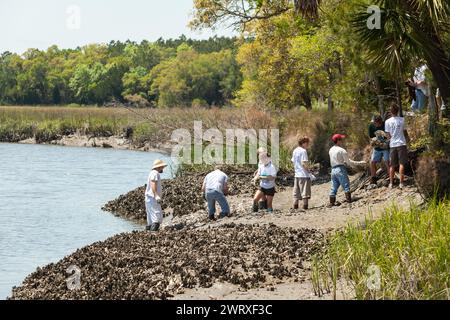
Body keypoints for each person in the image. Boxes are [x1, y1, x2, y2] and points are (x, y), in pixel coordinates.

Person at [328, 134, 366, 207]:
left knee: (334, 186)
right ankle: (349, 200)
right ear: (338, 141)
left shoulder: (331, 150)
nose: (343, 141)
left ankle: (331, 203)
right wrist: (360, 163)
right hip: (340, 169)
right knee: (346, 185)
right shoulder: (342, 150)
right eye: (341, 139)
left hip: (333, 170)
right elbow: (349, 162)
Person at [385, 103, 409, 189]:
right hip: (402, 143)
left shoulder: (387, 122)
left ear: (390, 112)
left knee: (392, 165)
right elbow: (405, 132)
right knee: (401, 164)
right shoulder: (402, 120)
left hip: (392, 144)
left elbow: (388, 136)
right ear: (398, 111)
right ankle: (401, 183)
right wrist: (408, 141)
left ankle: (391, 183)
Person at [144, 159, 167, 232]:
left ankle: (148, 234)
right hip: (153, 199)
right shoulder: (155, 173)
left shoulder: (152, 173)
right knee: (157, 218)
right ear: (158, 167)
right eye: (162, 167)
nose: (163, 168)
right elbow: (153, 184)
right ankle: (153, 234)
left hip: (149, 199)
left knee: (150, 219)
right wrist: (156, 195)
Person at [291, 136, 312, 210]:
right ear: (303, 143)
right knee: (305, 192)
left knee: (296, 193)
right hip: (303, 174)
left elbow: (293, 162)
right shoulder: (303, 151)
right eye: (307, 143)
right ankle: (305, 207)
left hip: (297, 174)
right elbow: (304, 163)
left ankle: (295, 207)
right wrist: (309, 171)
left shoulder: (295, 150)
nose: (308, 144)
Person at [369, 115, 390, 185]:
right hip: (377, 148)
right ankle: (373, 178)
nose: (374, 124)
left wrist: (385, 143)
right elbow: (371, 138)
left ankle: (391, 177)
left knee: (387, 161)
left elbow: (388, 136)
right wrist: (374, 142)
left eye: (375, 123)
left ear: (379, 122)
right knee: (372, 162)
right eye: (374, 122)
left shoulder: (385, 125)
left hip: (385, 147)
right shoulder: (371, 126)